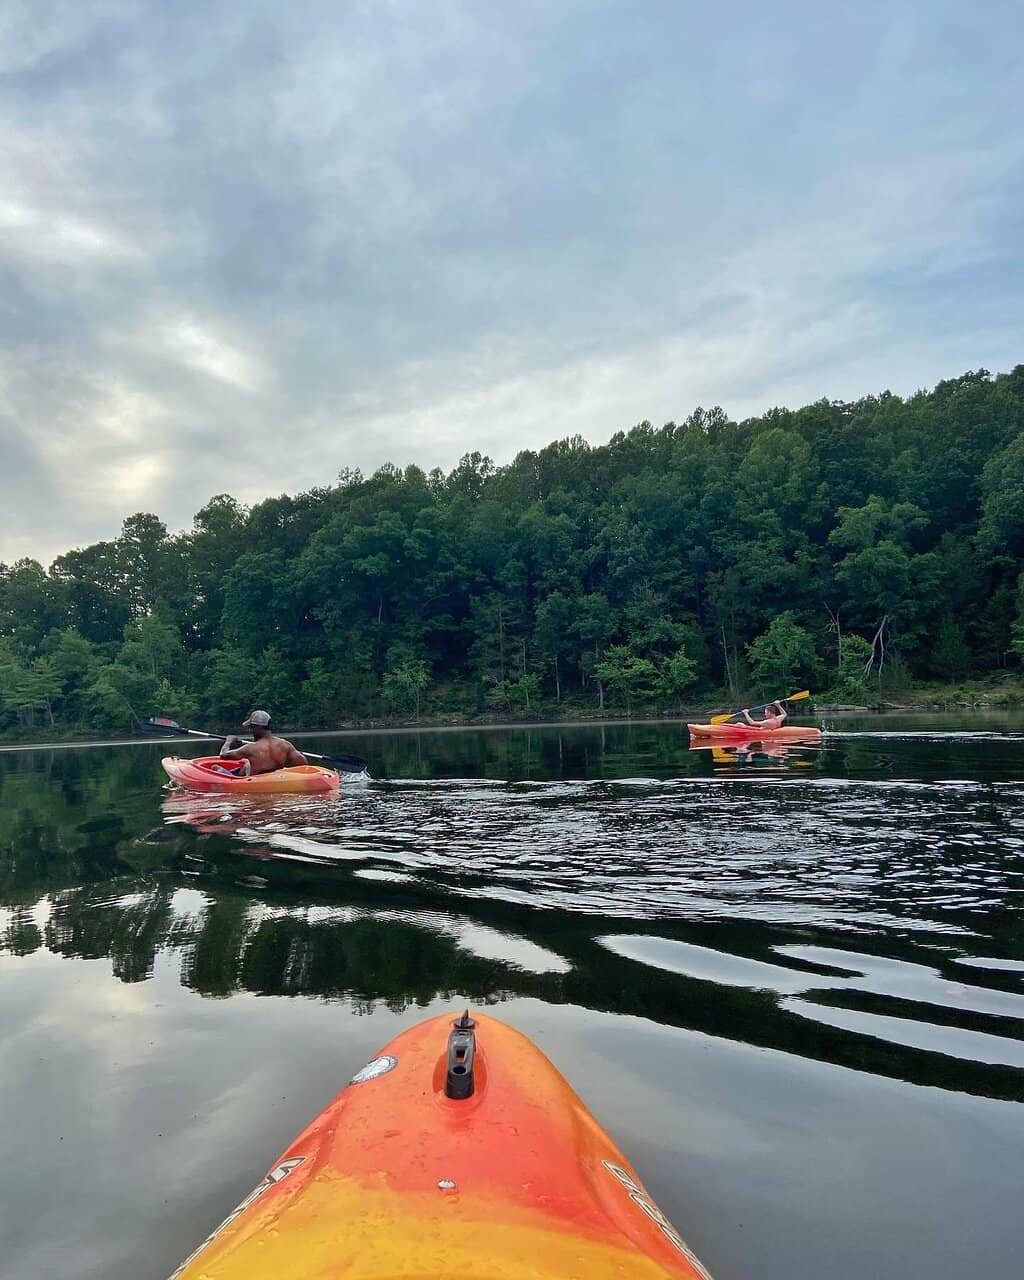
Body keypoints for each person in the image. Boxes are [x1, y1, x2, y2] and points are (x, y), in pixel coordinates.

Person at [216, 710, 308, 776]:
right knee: (246, 765)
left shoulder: (250, 748)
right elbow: (303, 763)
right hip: (275, 778)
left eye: (251, 727)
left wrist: (229, 741)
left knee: (215, 767)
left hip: (255, 782)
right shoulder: (285, 744)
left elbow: (223, 755)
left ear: (256, 727)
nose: (250, 730)